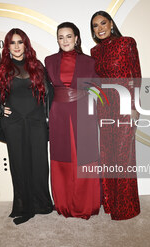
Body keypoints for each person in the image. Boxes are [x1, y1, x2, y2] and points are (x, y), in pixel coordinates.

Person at [0, 28, 53, 225]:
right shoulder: (2, 68)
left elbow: (49, 92)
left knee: (39, 163)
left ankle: (42, 203)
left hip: (36, 121)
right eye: (13, 42)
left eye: (20, 42)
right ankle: (22, 205)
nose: (17, 46)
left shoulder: (37, 65)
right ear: (8, 46)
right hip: (14, 123)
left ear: (26, 45)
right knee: (18, 164)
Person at [45, 22, 100, 219]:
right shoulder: (49, 61)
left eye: (69, 36)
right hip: (59, 113)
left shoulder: (89, 62)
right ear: (57, 40)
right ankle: (64, 203)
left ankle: (86, 203)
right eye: (61, 37)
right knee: (62, 158)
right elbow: (45, 89)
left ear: (76, 38)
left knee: (84, 157)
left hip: (83, 112)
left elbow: (97, 87)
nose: (65, 41)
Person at [90, 10, 141, 220]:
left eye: (103, 23)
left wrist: (135, 106)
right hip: (104, 108)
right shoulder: (94, 51)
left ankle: (127, 207)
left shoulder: (127, 43)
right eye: (95, 25)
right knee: (108, 156)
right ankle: (111, 203)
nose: (100, 28)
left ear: (111, 23)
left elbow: (136, 76)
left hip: (124, 105)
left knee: (123, 157)